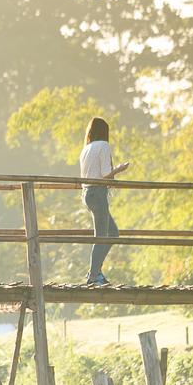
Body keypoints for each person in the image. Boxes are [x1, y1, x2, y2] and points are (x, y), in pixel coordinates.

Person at [79, 116, 129, 285]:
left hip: (88, 194)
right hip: (98, 193)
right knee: (101, 236)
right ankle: (94, 275)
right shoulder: (103, 145)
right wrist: (120, 169)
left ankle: (95, 272)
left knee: (112, 234)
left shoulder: (86, 149)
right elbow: (106, 172)